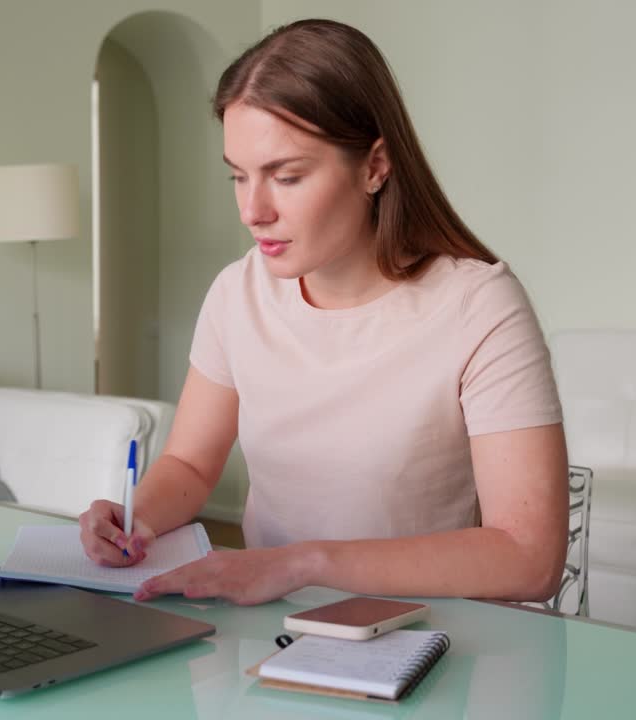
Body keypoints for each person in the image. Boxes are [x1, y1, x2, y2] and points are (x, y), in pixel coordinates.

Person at [78, 18, 568, 606]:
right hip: (270, 630)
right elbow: (188, 463)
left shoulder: (478, 307)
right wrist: (136, 518)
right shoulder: (238, 294)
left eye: (286, 176)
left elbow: (528, 557)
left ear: (375, 166)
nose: (252, 210)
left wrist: (304, 564)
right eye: (238, 176)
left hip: (430, 636)